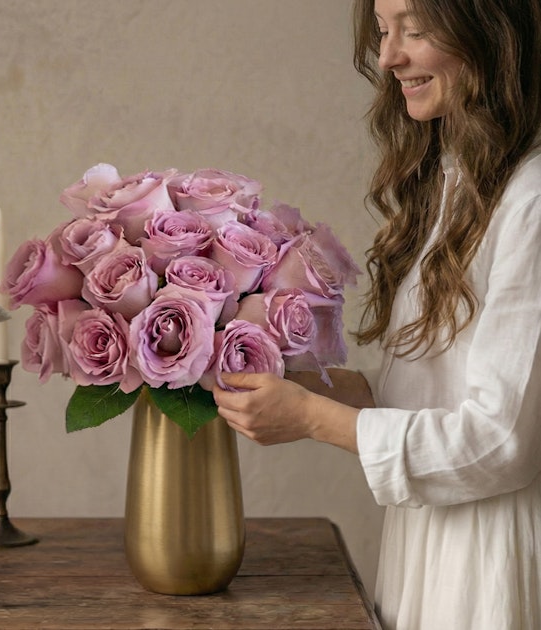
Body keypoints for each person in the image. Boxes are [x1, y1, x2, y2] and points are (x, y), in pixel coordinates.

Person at [205, 0, 541, 627]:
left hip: (491, 553)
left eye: (414, 30)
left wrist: (311, 417)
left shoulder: (532, 200)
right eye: (385, 33)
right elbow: (431, 396)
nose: (388, 57)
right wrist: (302, 384)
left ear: (489, 29)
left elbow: (499, 440)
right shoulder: (458, 183)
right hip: (431, 534)